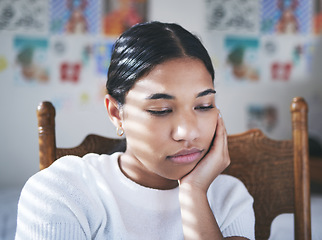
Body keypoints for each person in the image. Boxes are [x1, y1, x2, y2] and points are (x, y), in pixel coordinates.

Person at [15, 21, 255, 240]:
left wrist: (194, 192)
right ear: (117, 114)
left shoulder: (228, 197)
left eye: (204, 106)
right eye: (161, 110)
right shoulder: (62, 191)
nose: (187, 132)